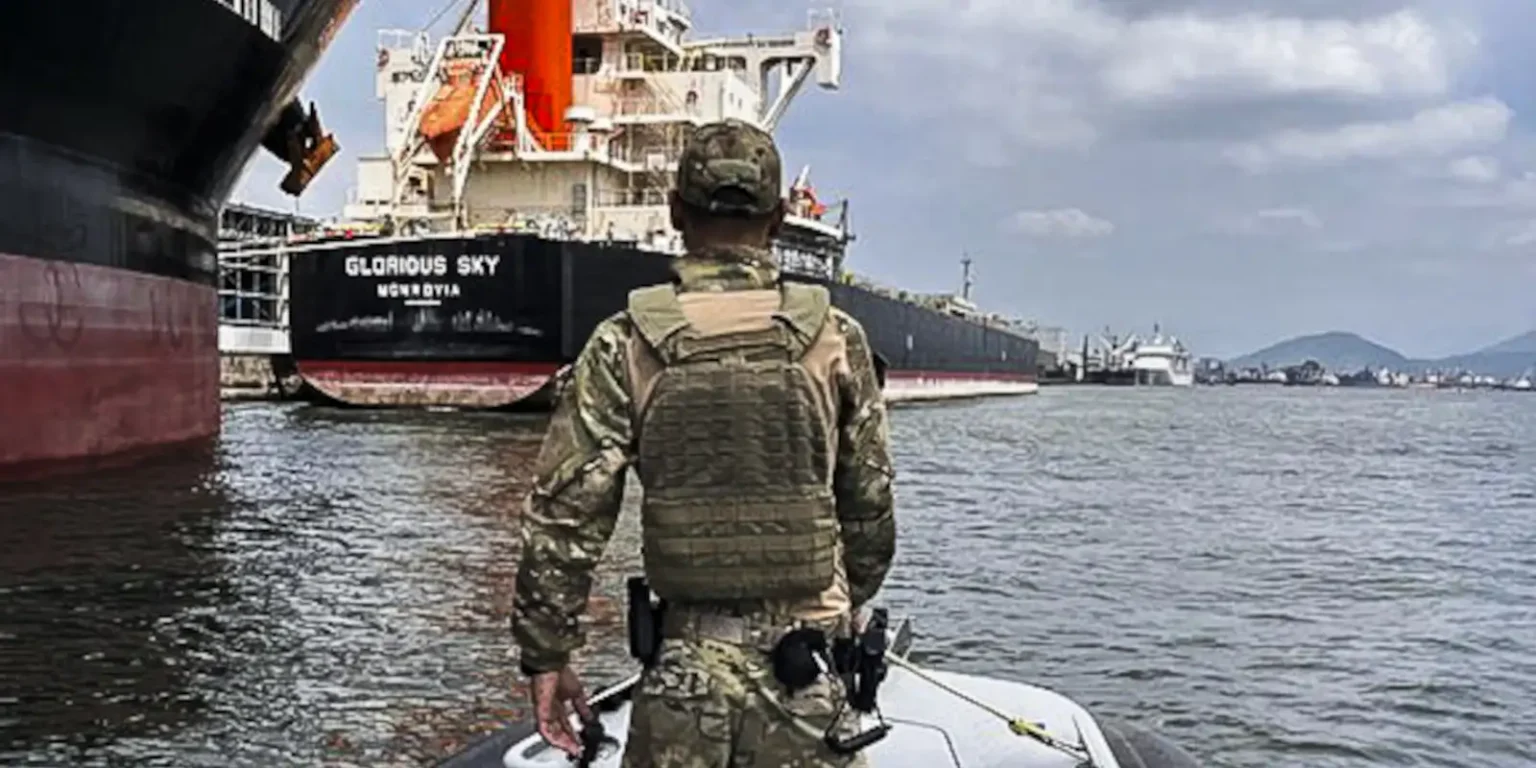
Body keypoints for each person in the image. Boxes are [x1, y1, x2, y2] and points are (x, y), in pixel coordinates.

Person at [510, 117, 897, 767]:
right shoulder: (836, 338)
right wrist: (843, 605)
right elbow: (871, 505)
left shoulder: (625, 341)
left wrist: (547, 655)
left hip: (684, 676)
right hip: (806, 674)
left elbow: (565, 515)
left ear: (675, 212)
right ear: (778, 219)